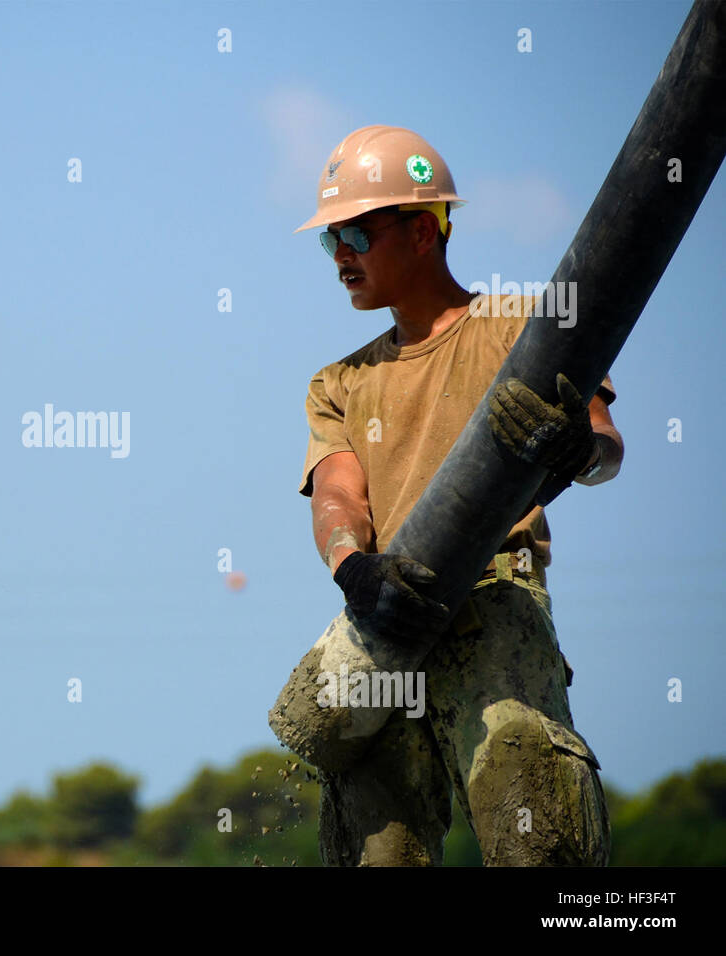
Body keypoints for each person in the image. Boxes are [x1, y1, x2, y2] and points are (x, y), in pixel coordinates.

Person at [293, 125, 622, 865]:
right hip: (388, 621)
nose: (340, 255)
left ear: (422, 232)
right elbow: (338, 498)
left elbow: (604, 446)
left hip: (495, 607)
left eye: (354, 234)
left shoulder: (523, 330)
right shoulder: (339, 382)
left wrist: (579, 452)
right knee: (379, 853)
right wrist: (353, 569)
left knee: (538, 832)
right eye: (329, 241)